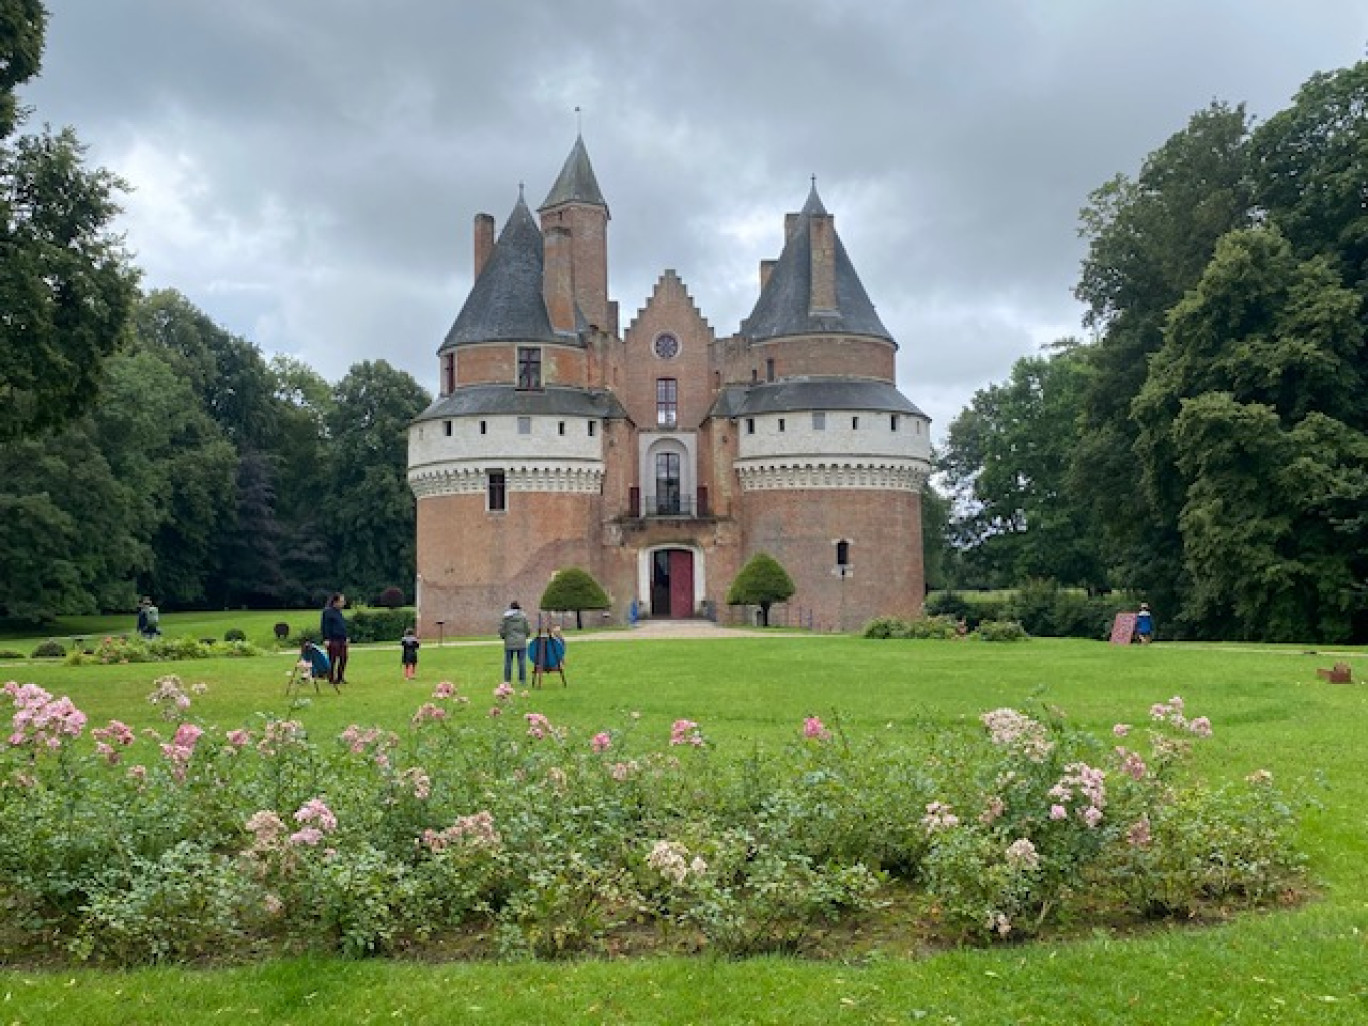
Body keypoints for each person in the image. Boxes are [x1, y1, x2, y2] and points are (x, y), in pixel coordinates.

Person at [499, 600, 531, 685]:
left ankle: (507, 680)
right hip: (521, 642)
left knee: (508, 662)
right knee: (522, 662)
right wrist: (525, 637)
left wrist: (504, 637)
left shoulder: (506, 617)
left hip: (509, 642)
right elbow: (527, 629)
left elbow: (502, 630)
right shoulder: (523, 617)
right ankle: (522, 680)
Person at [321, 593, 349, 685]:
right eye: (341, 601)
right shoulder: (327, 612)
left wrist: (346, 637)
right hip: (333, 639)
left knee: (344, 658)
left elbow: (342, 626)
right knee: (332, 659)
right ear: (335, 602)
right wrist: (326, 639)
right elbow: (325, 626)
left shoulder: (339, 612)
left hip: (342, 639)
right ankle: (331, 678)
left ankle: (340, 677)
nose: (343, 603)